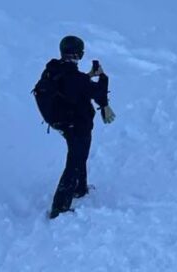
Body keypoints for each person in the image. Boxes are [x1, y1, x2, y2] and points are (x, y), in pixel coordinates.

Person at [33, 35, 115, 219]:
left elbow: (71, 89)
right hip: (76, 125)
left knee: (79, 155)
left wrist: (88, 77)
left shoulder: (54, 70)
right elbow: (97, 92)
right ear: (78, 54)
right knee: (75, 162)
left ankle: (79, 188)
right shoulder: (75, 78)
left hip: (63, 123)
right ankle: (60, 207)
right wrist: (102, 76)